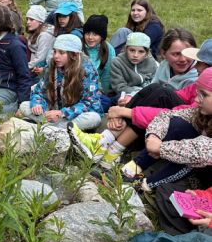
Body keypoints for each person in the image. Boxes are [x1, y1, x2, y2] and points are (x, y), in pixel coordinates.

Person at [69, 39, 211, 169]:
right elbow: (177, 97)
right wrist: (128, 107)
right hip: (168, 123)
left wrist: (126, 112)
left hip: (187, 133)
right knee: (156, 91)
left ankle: (106, 143)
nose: (195, 66)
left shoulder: (203, 89)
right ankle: (110, 148)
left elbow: (181, 113)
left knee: (161, 93)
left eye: (199, 63)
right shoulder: (196, 82)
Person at [124, 67, 212, 192]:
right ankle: (130, 170)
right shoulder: (202, 113)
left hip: (205, 178)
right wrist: (154, 136)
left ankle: (145, 186)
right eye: (198, 93)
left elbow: (202, 151)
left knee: (194, 157)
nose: (197, 99)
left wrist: (161, 148)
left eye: (204, 95)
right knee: (178, 124)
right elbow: (168, 115)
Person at [19, 34, 103, 130]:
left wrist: (62, 113)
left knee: (94, 118)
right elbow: (39, 92)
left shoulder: (87, 71)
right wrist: (37, 104)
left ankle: (48, 126)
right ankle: (55, 127)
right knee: (24, 106)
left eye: (61, 53)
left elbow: (90, 103)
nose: (56, 56)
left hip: (71, 115)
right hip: (53, 111)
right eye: (55, 51)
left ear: (74, 55)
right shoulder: (52, 66)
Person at [109, 32, 158, 102]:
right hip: (123, 94)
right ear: (126, 49)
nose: (135, 55)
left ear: (147, 53)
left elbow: (156, 82)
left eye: (141, 52)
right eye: (132, 50)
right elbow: (119, 87)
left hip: (147, 94)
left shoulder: (152, 63)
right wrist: (138, 93)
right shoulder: (117, 62)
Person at [82, 14, 115, 109]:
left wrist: (104, 91)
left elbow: (107, 75)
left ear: (102, 36)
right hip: (76, 87)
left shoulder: (108, 49)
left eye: (95, 34)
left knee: (106, 102)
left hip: (95, 89)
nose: (90, 37)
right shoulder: (79, 46)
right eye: (87, 33)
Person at [25, 5, 54, 75]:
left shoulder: (45, 35)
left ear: (40, 22)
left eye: (31, 19)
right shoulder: (34, 31)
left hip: (40, 68)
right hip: (32, 64)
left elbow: (41, 58)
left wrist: (24, 67)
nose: (28, 22)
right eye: (27, 19)